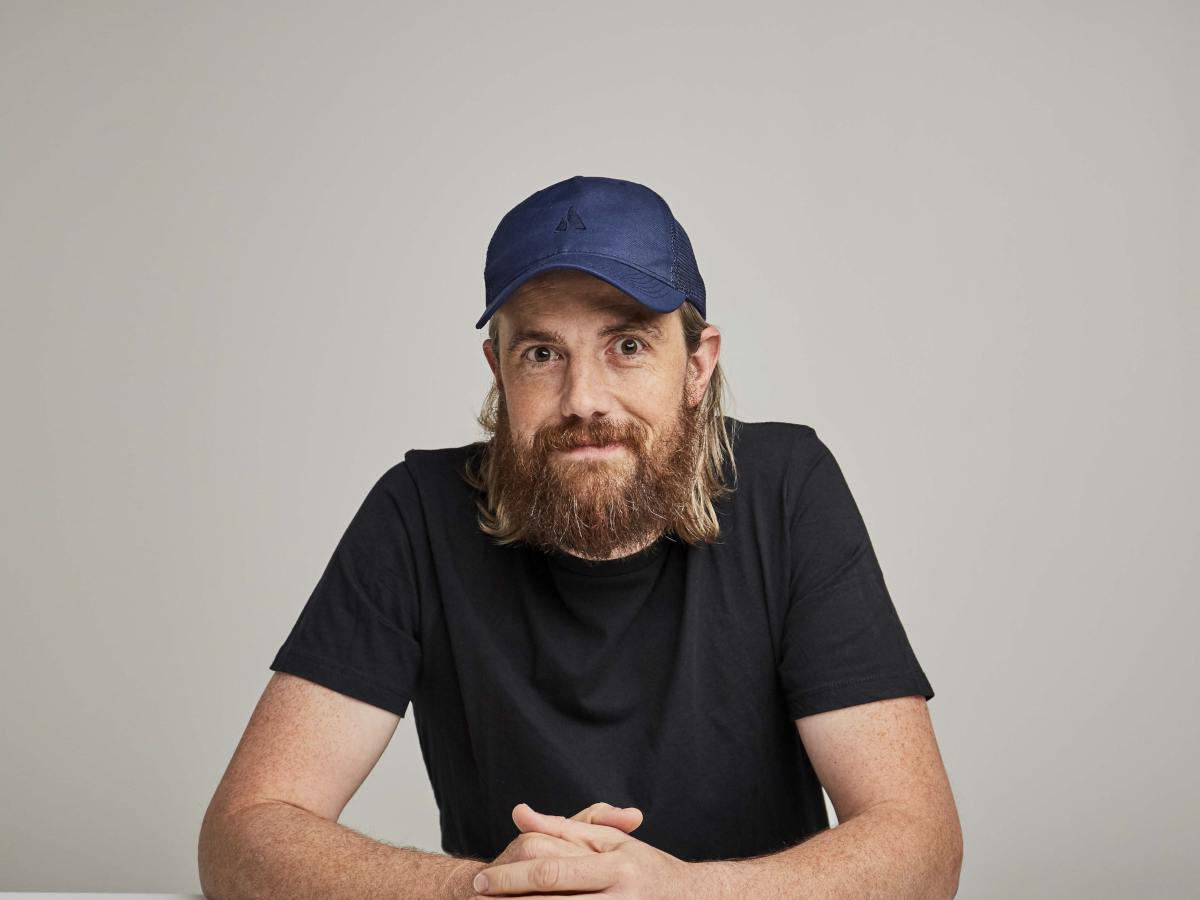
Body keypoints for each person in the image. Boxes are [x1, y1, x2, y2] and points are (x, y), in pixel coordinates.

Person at [198, 175, 963, 899]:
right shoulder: (418, 512)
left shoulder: (788, 488)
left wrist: (688, 894)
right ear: (499, 370)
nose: (583, 400)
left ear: (697, 365)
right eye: (542, 354)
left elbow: (922, 847)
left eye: (626, 345)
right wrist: (482, 890)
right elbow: (240, 837)